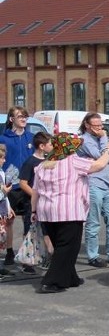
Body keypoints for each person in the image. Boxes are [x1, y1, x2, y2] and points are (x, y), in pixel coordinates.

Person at [32, 133, 109, 293]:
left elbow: (35, 191)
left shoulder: (43, 165)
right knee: (67, 246)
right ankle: (51, 281)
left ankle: (70, 277)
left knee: (60, 244)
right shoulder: (73, 161)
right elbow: (98, 165)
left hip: (47, 211)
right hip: (68, 210)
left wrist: (33, 210)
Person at [78, 113, 109, 267]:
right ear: (87, 125)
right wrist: (106, 141)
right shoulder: (84, 140)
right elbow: (102, 156)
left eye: (101, 126)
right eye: (96, 126)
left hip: (106, 185)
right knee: (93, 223)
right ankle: (93, 256)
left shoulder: (99, 139)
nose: (100, 129)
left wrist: (107, 153)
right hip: (93, 184)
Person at [0, 106, 35, 267]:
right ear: (11, 119)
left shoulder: (32, 138)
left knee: (29, 221)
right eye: (20, 116)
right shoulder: (3, 139)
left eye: (25, 116)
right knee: (8, 221)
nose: (23, 118)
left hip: (28, 185)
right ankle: (9, 252)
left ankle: (26, 255)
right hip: (10, 187)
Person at [18, 132, 55, 271]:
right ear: (41, 146)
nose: (53, 147)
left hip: (45, 204)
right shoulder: (30, 162)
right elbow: (23, 183)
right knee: (30, 230)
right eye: (50, 144)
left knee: (47, 231)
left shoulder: (48, 161)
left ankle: (49, 256)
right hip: (31, 204)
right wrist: (35, 195)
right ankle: (27, 261)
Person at [0, 145, 15, 277]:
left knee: (1, 240)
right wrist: (3, 191)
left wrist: (9, 208)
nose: (4, 161)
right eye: (2, 158)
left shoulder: (2, 172)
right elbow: (2, 193)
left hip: (2, 211)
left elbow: (4, 195)